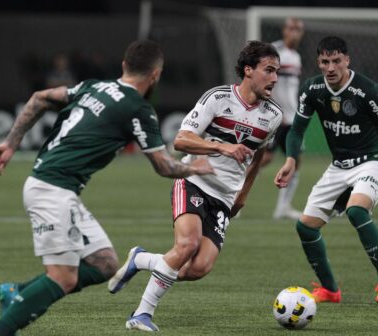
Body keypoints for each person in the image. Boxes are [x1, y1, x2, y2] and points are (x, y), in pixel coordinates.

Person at [0, 40, 213, 336]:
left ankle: (16, 291)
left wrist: (10, 144)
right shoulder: (137, 109)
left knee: (104, 264)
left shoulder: (93, 87)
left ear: (124, 66)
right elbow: (164, 166)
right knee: (62, 278)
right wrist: (197, 167)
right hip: (53, 191)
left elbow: (39, 98)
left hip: (55, 188)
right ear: (156, 75)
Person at [107, 41, 283, 332]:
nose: (275, 78)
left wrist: (243, 194)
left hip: (226, 197)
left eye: (277, 72)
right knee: (186, 245)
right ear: (249, 70)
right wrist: (222, 147)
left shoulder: (273, 115)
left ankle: (141, 259)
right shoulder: (217, 98)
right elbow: (181, 140)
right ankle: (141, 314)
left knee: (199, 268)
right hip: (195, 181)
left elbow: (258, 154)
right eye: (269, 70)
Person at [274, 36, 378, 304]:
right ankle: (330, 290)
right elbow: (296, 130)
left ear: (347, 61)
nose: (330, 67)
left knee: (356, 210)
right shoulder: (313, 89)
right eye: (324, 61)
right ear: (318, 62)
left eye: (336, 61)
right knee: (306, 228)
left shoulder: (367, 90)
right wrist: (291, 160)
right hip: (339, 166)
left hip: (374, 160)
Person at [260, 17, 305, 220]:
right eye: (291, 29)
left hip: (291, 118)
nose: (295, 33)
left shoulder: (296, 57)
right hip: (274, 118)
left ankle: (283, 207)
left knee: (295, 161)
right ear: (284, 30)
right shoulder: (274, 52)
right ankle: (232, 195)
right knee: (263, 159)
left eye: (298, 29)